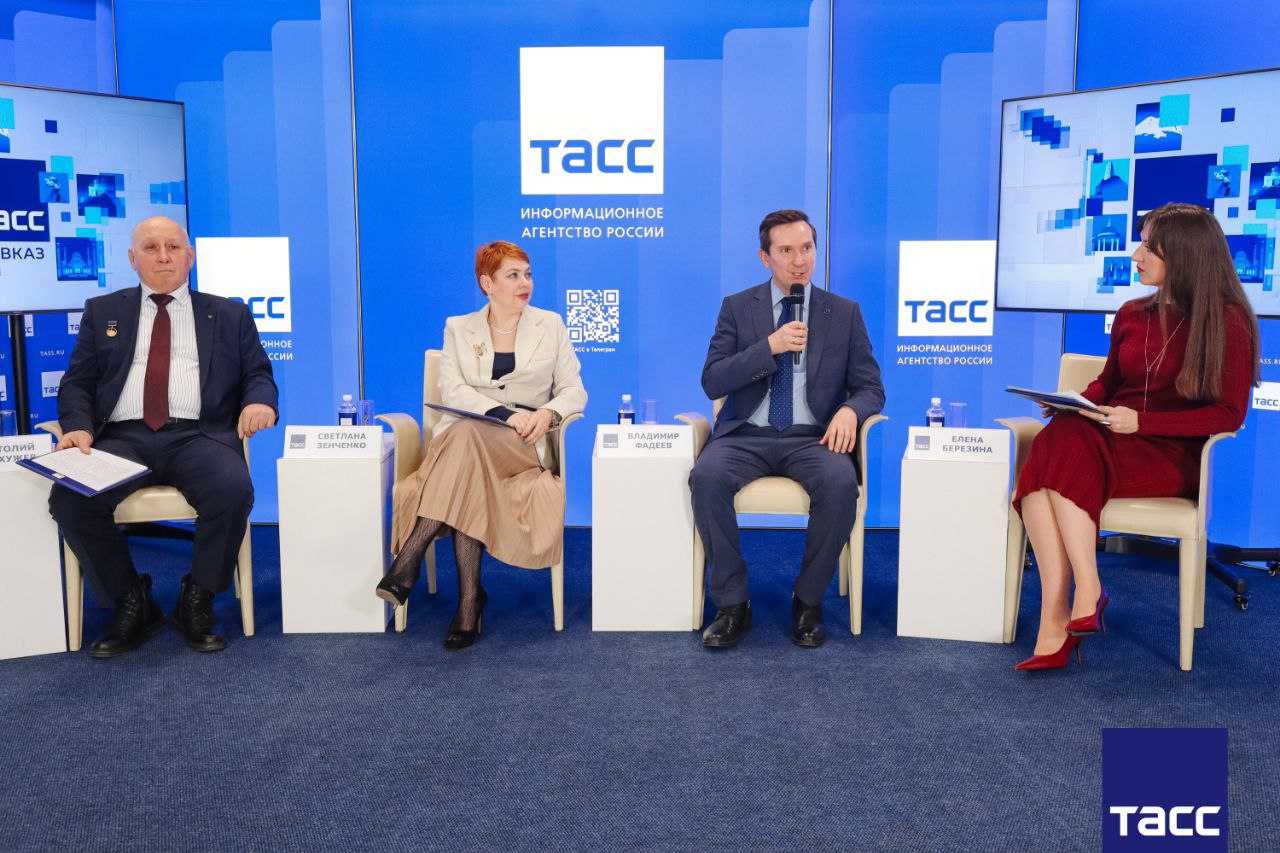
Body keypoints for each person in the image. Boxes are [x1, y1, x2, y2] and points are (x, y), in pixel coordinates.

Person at [1012, 203, 1261, 671]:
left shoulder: (1228, 320)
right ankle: (1071, 601)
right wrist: (1073, 402)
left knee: (1049, 459)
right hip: (1113, 437)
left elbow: (1228, 414)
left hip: (1173, 453)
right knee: (1061, 432)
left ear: (1185, 254)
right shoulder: (1131, 312)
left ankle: (1068, 609)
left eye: (1149, 246)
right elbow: (1108, 384)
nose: (1135, 255)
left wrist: (1141, 423)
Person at [50, 215, 278, 658]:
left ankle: (198, 598)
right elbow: (78, 382)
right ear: (132, 258)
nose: (163, 256)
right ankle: (131, 600)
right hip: (122, 439)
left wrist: (259, 402)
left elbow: (258, 374)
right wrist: (77, 426)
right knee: (70, 498)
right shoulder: (103, 310)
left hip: (199, 436)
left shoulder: (229, 313)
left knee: (232, 490)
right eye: (151, 248)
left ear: (189, 257)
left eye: (173, 247)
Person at [690, 209, 885, 649]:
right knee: (706, 477)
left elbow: (871, 388)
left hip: (812, 438)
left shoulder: (844, 313)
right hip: (746, 435)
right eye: (786, 251)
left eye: (807, 248)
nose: (799, 261)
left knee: (840, 484)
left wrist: (851, 410)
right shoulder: (738, 307)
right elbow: (713, 381)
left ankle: (808, 601)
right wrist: (769, 347)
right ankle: (733, 605)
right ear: (765, 257)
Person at [377, 241, 587, 649]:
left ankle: (409, 560)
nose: (525, 283)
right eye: (513, 275)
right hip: (469, 437)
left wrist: (547, 414)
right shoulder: (459, 327)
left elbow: (574, 390)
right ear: (487, 283)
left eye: (528, 274)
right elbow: (453, 390)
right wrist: (504, 414)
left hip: (521, 444)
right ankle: (469, 603)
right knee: (467, 442)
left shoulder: (551, 325)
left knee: (464, 442)